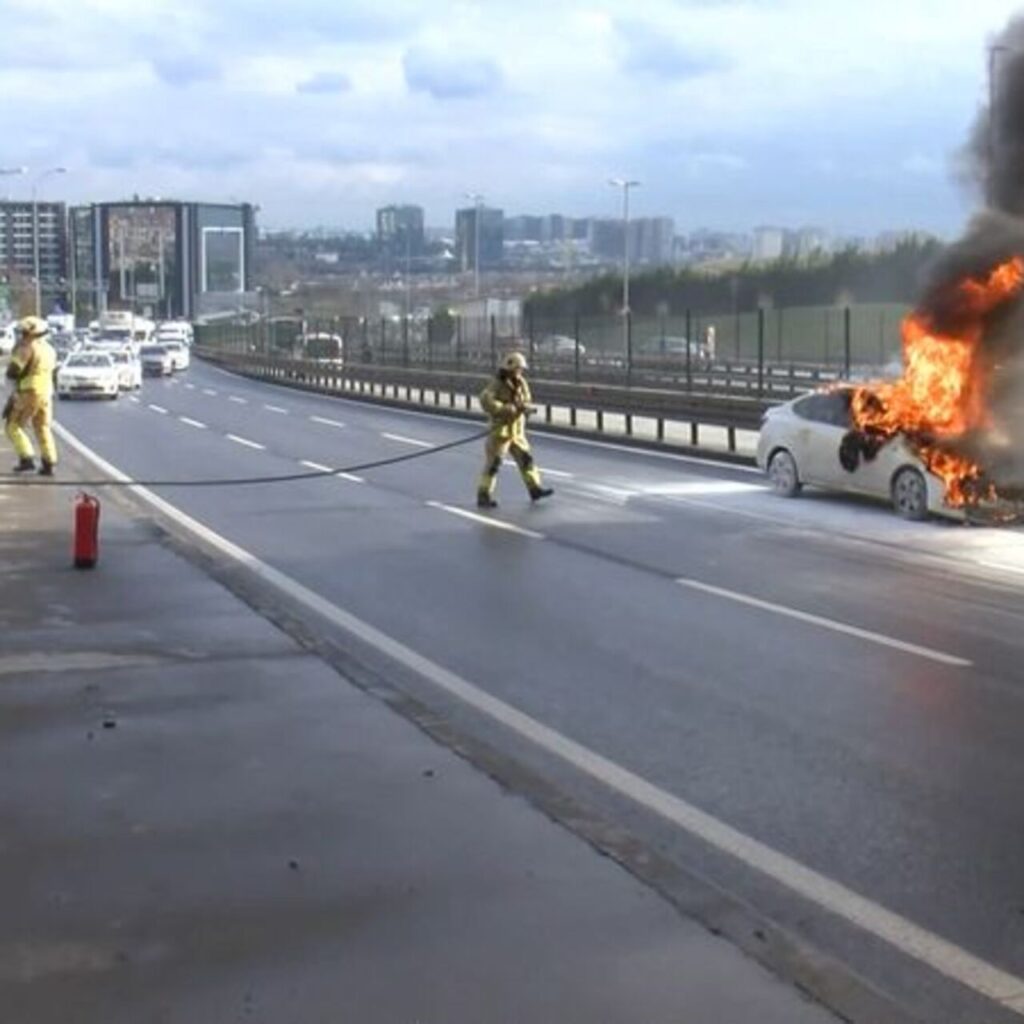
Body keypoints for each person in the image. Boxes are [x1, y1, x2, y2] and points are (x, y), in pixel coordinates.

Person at [477, 351, 553, 509]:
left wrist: (525, 407)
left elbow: (526, 399)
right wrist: (505, 408)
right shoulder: (497, 383)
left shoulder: (521, 382)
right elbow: (486, 401)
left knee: (526, 460)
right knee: (494, 464)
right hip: (500, 432)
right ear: (509, 368)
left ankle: (535, 489)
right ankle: (484, 494)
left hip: (517, 431)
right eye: (517, 369)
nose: (519, 372)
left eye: (521, 369)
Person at [5, 315, 58, 476]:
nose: (21, 335)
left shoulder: (26, 348)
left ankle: (26, 458)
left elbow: (13, 371)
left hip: (29, 391)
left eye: (23, 332)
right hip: (46, 392)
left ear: (28, 333)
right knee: (42, 427)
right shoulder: (49, 349)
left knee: (12, 426)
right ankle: (49, 461)